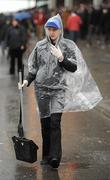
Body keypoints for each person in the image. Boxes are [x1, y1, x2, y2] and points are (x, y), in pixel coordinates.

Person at [18, 14, 102, 169]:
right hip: (41, 88)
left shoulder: (68, 46)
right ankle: (46, 155)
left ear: (60, 30)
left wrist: (62, 57)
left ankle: (55, 156)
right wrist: (26, 81)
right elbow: (34, 68)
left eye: (55, 29)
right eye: (49, 29)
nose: (52, 32)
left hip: (59, 89)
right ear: (46, 30)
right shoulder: (40, 46)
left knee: (55, 122)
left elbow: (74, 67)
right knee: (45, 123)